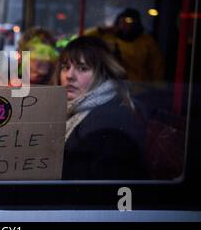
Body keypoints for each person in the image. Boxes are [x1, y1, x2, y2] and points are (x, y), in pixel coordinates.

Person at [55, 36, 147, 180]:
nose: (69, 76)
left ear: (103, 74)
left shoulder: (111, 120)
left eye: (82, 68)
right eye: (65, 67)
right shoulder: (74, 110)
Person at [85, 8, 164, 83]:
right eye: (121, 21)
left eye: (128, 21)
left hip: (138, 88)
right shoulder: (109, 37)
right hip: (112, 86)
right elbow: (81, 40)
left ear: (136, 23)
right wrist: (101, 30)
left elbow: (157, 68)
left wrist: (156, 88)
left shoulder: (146, 41)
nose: (124, 24)